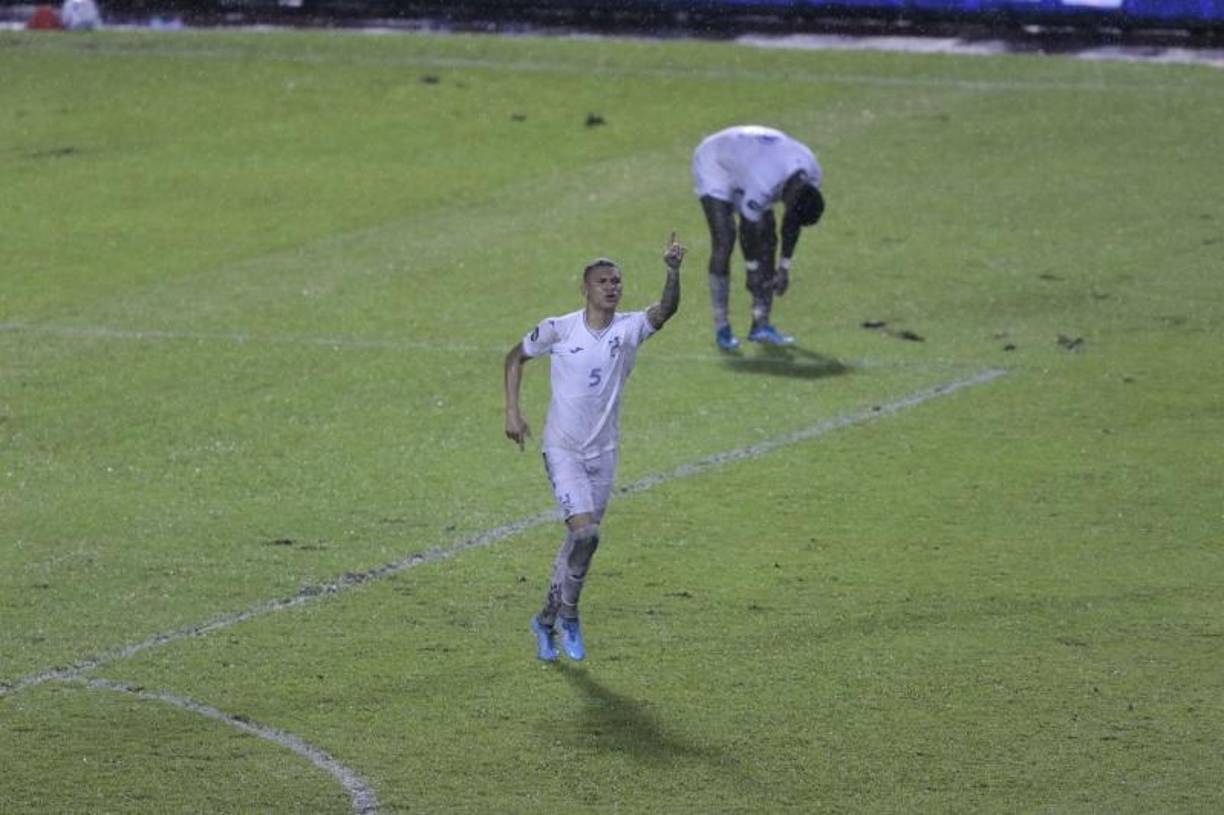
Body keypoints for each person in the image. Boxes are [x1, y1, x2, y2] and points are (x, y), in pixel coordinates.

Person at [505, 233, 686, 661]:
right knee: (585, 532)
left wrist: (673, 271)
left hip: (603, 454)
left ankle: (545, 621)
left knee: (579, 544)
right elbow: (514, 358)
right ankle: (569, 613)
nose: (612, 286)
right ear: (585, 288)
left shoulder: (629, 329)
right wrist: (512, 412)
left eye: (617, 281)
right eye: (603, 281)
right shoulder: (558, 328)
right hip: (563, 449)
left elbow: (666, 310)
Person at [692, 125, 826, 351]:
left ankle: (761, 324)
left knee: (769, 237)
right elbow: (748, 226)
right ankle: (722, 327)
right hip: (715, 160)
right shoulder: (765, 181)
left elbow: (792, 222)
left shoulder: (812, 175)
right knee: (725, 238)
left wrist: (784, 266)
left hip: (750, 160)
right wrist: (751, 269)